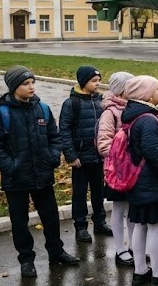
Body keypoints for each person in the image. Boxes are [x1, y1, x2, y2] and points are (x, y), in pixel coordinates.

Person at [0, 66, 80, 278]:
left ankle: (56, 252)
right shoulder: (2, 115)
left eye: (32, 82)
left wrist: (52, 157)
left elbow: (55, 138)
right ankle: (26, 259)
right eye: (25, 84)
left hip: (43, 176)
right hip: (16, 180)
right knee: (19, 221)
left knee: (51, 217)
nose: (31, 87)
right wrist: (11, 167)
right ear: (13, 87)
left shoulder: (43, 109)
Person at [122, 76, 158, 285]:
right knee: (155, 227)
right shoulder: (147, 119)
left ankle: (140, 271)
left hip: (138, 181)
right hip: (151, 182)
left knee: (140, 225)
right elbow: (153, 152)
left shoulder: (134, 115)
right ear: (147, 94)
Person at [59, 65, 111, 243]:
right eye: (94, 81)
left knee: (98, 191)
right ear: (83, 82)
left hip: (98, 156)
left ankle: (100, 222)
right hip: (80, 158)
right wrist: (71, 155)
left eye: (99, 80)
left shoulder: (99, 101)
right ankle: (80, 226)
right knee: (80, 193)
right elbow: (64, 131)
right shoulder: (71, 103)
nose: (98, 84)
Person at [96, 71, 136, 266]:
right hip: (118, 172)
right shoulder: (109, 113)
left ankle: (133, 246)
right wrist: (125, 155)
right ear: (121, 90)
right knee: (119, 209)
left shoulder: (132, 108)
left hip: (133, 171)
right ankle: (120, 250)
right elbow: (103, 144)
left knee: (133, 210)